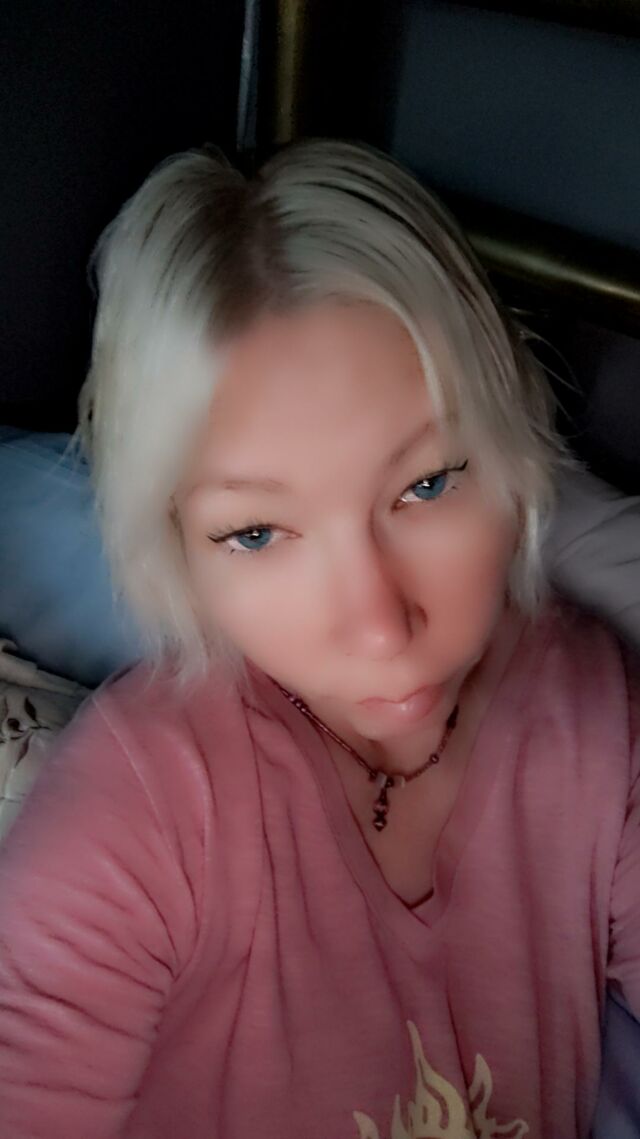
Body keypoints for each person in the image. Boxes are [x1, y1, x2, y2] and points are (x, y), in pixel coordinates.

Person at [0, 138, 638, 1139]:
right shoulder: (138, 814)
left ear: (512, 448)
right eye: (256, 533)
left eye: (427, 484)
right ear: (174, 545)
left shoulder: (590, 713)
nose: (380, 627)